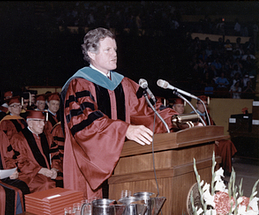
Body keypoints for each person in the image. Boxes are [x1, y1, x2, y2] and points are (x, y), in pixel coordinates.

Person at [60, 27, 177, 199]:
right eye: (108, 50)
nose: (114, 54)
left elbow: (148, 111)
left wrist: (176, 119)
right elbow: (87, 123)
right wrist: (125, 130)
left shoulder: (124, 84)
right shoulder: (79, 84)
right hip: (90, 164)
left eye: (114, 49)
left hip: (125, 161)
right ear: (92, 54)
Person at [10, 110, 58, 193]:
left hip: (49, 172)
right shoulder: (18, 138)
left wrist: (55, 169)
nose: (43, 124)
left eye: (43, 121)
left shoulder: (47, 136)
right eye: (39, 121)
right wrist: (40, 170)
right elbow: (21, 162)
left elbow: (55, 155)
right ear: (30, 123)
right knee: (46, 184)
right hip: (30, 175)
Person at [195, 95, 237, 174]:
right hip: (203, 141)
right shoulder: (194, 116)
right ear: (197, 105)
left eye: (206, 104)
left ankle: (226, 167)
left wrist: (216, 138)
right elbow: (197, 133)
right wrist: (212, 140)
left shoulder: (207, 116)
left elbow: (214, 129)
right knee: (216, 147)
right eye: (201, 104)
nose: (204, 106)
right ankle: (216, 170)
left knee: (227, 143)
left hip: (212, 139)